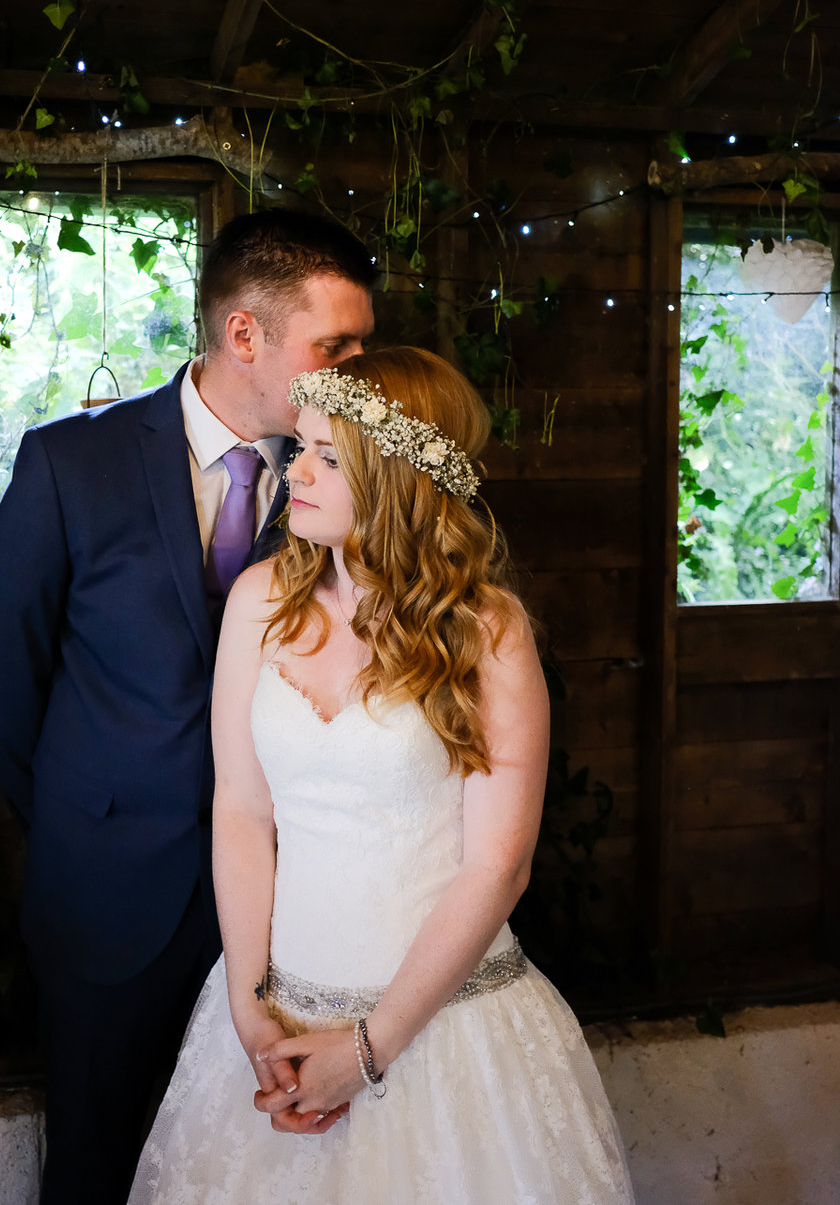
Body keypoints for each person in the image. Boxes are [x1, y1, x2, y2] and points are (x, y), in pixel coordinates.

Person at [128, 346, 635, 1205]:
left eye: (330, 458)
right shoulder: (258, 603)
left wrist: (367, 1051)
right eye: (302, 449)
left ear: (397, 479)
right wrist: (252, 1008)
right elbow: (243, 812)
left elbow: (498, 866)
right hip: (276, 1007)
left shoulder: (486, 630)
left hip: (443, 1027)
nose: (297, 474)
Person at [0, 208, 376, 1205]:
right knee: (98, 1159)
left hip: (299, 904)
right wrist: (80, 809)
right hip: (107, 889)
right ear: (246, 335)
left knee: (262, 1164)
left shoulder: (354, 478)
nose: (356, 371)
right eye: (335, 346)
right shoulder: (72, 463)